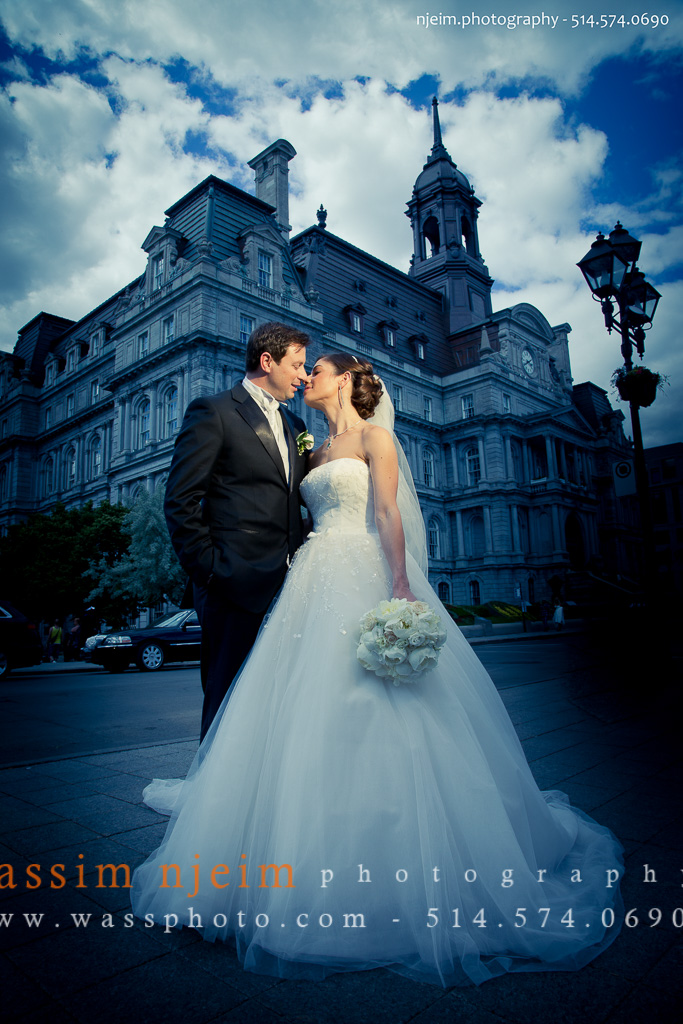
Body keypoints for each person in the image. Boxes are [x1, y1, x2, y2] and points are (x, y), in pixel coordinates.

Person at [132, 354, 624, 988]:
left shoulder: (375, 436)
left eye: (317, 370)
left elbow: (388, 513)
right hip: (307, 578)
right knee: (299, 705)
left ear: (345, 381)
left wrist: (398, 584)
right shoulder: (307, 446)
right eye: (300, 367)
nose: (307, 375)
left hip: (364, 569)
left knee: (382, 701)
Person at [164, 321, 311, 739]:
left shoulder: (296, 426)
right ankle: (211, 799)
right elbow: (180, 499)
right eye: (298, 365)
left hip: (289, 587)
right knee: (225, 699)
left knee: (275, 699)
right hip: (231, 585)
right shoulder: (214, 411)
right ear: (268, 361)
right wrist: (211, 570)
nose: (304, 375)